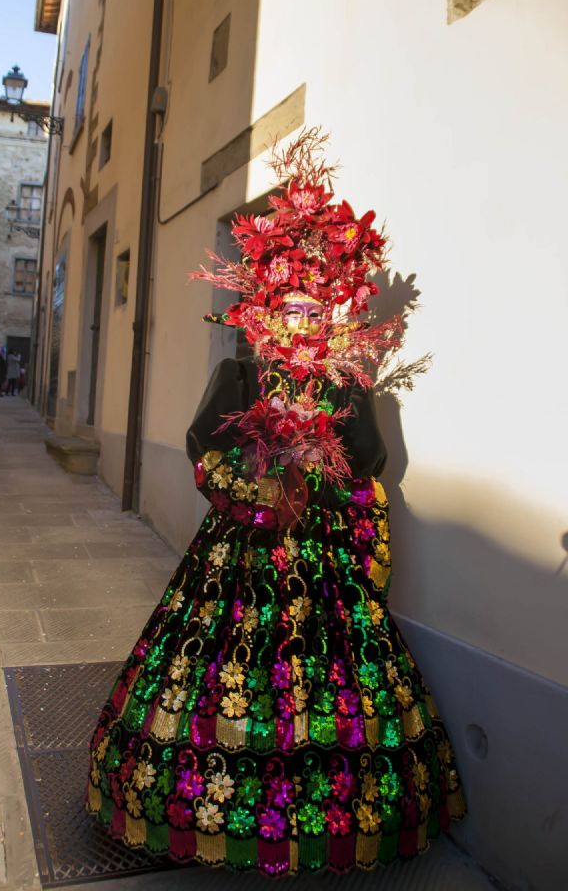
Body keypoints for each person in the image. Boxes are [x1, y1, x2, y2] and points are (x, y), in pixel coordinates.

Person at [86, 133, 465, 875]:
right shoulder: (242, 377)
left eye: (314, 306)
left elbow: (374, 462)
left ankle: (331, 819)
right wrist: (252, 489)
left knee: (326, 687)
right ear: (265, 308)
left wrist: (320, 481)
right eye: (287, 305)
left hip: (322, 558)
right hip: (239, 550)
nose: (300, 321)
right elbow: (204, 446)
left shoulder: (346, 388)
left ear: (331, 313)